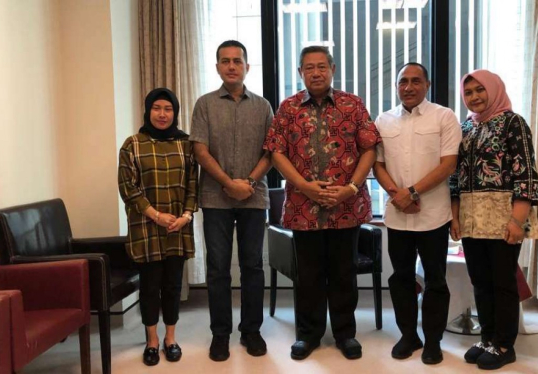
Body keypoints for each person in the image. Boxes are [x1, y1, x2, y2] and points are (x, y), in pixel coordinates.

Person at [264, 46, 381, 361]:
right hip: (304, 209)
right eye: (308, 68)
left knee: (344, 273)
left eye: (321, 67)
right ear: (300, 72)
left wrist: (351, 187)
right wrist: (304, 186)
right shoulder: (288, 108)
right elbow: (276, 152)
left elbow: (370, 148)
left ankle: (345, 334)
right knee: (309, 276)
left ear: (332, 69)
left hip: (347, 206)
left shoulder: (353, 104)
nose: (316, 73)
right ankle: (308, 335)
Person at [449, 69, 538, 370]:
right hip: (472, 217)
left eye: (480, 90)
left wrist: (518, 221)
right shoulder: (466, 128)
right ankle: (487, 338)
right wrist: (455, 217)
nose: (474, 97)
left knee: (502, 281)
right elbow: (456, 177)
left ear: (494, 89)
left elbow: (526, 175)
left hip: (504, 215)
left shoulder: (513, 123)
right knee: (480, 281)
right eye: (468, 92)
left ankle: (504, 344)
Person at [189, 40, 274, 362]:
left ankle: (252, 331)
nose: (231, 66)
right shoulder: (205, 104)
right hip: (215, 198)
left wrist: (248, 183)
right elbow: (200, 150)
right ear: (217, 67)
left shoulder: (263, 106)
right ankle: (220, 335)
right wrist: (227, 183)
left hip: (253, 197)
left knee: (253, 266)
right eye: (225, 61)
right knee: (218, 268)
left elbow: (271, 153)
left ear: (247, 67)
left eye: (237, 60)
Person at [373, 62, 462, 365]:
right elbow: (378, 165)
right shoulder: (383, 120)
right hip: (397, 216)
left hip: (433, 215)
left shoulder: (444, 117)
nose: (408, 87)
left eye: (415, 81)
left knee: (435, 279)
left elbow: (448, 164)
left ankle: (433, 341)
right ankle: (408, 335)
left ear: (427, 84)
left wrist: (410, 193)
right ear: (396, 86)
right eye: (402, 82)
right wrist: (397, 196)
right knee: (400, 278)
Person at [118, 88, 198, 366]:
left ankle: (170, 338)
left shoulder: (186, 144)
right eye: (157, 108)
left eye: (168, 109)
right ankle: (152, 340)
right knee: (150, 287)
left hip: (177, 226)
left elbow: (192, 184)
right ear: (148, 111)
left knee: (173, 286)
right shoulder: (133, 144)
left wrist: (187, 215)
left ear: (175, 113)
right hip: (147, 228)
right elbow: (128, 187)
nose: (162, 114)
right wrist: (155, 215)